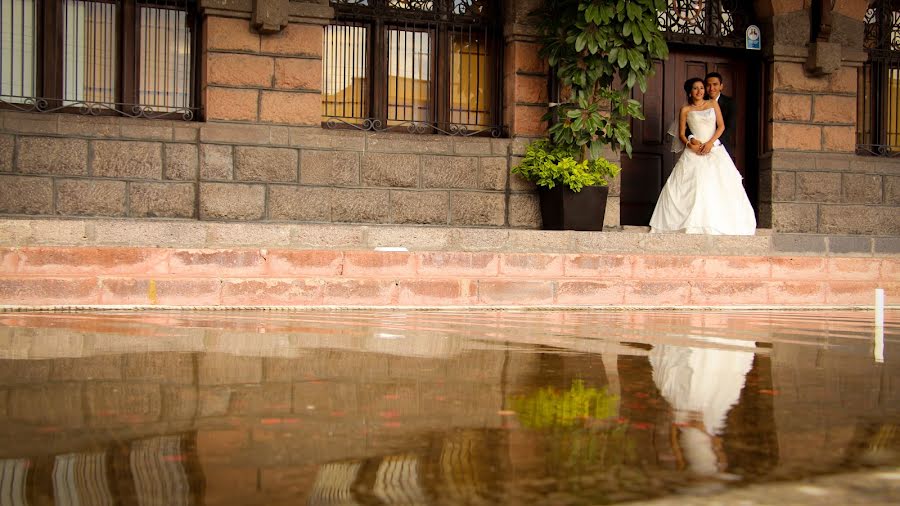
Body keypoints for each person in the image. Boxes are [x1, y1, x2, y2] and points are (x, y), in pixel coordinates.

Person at [649, 77, 756, 235]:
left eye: (701, 88)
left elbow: (721, 126)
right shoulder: (685, 109)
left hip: (714, 149)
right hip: (693, 152)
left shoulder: (713, 104)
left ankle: (719, 223)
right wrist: (689, 143)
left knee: (717, 185)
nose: (699, 91)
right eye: (695, 88)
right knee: (691, 186)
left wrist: (710, 143)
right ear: (690, 92)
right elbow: (681, 133)